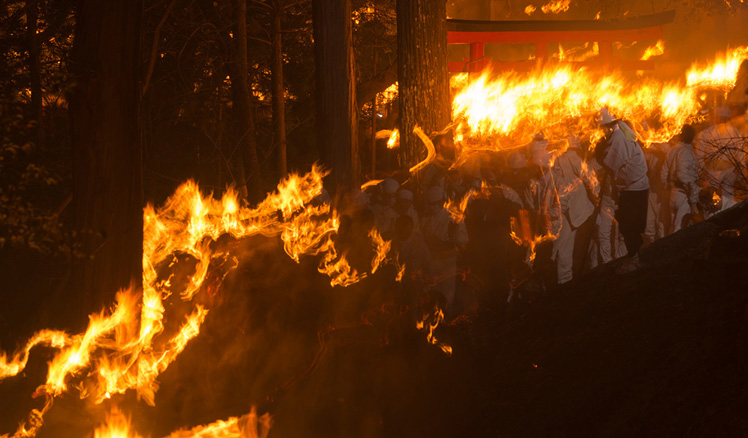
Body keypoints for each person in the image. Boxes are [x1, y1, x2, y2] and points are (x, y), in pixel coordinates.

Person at [594, 108, 649, 273]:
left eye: (602, 127)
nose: (601, 131)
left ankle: (635, 259)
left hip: (633, 187)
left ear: (609, 125)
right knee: (629, 223)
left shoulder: (618, 138)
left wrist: (598, 153)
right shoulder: (622, 126)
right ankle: (637, 256)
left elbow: (611, 164)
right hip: (634, 185)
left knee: (628, 225)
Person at [545, 134, 596, 284]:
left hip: (577, 213)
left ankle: (566, 281)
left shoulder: (570, 158)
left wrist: (596, 192)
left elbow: (589, 176)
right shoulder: (544, 167)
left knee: (569, 249)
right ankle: (561, 281)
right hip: (557, 214)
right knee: (558, 249)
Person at [419, 185, 469, 309]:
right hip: (429, 264)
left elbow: (463, 240)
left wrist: (444, 242)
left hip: (447, 264)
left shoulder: (453, 216)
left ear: (441, 202)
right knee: (430, 300)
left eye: (434, 204)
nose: (431, 207)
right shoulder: (425, 217)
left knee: (446, 298)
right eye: (429, 204)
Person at [662, 124, 700, 234]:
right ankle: (672, 250)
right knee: (679, 229)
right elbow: (684, 176)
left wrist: (667, 186)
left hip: (673, 193)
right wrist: (693, 199)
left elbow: (663, 172)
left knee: (672, 225)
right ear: (691, 137)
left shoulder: (672, 150)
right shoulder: (686, 152)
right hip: (683, 194)